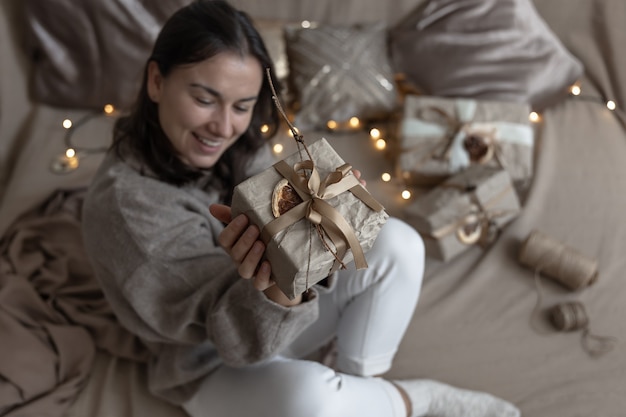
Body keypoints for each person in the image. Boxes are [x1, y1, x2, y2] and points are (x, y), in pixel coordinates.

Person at [81, 1, 521, 416]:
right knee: (309, 400)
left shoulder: (239, 139)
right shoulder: (127, 209)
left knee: (398, 242)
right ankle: (416, 401)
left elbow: (290, 237)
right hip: (207, 360)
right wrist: (279, 285)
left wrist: (328, 223)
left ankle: (362, 386)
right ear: (156, 81)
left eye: (242, 106)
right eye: (203, 99)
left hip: (279, 313)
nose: (223, 127)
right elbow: (229, 342)